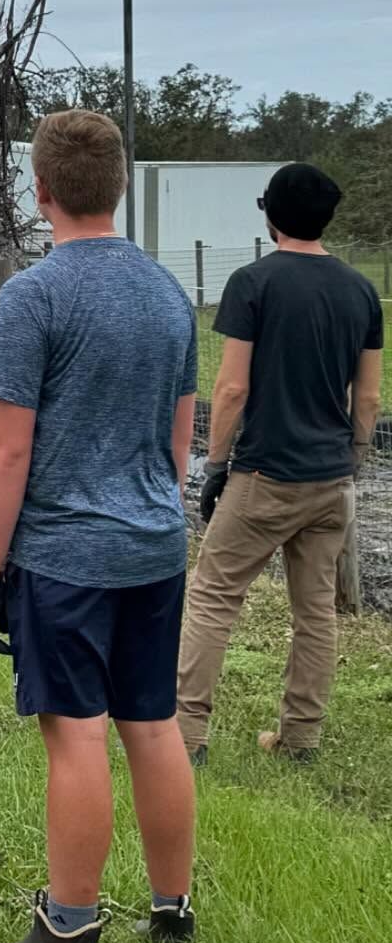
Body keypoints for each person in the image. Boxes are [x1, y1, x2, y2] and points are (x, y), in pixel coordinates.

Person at [0, 111, 200, 943]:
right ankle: (172, 913)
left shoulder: (35, 296)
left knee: (76, 737)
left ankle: (66, 935)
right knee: (153, 722)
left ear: (42, 192)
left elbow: (7, 449)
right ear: (121, 186)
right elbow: (180, 445)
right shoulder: (170, 295)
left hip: (67, 557)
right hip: (155, 546)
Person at [177, 164, 383, 765]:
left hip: (265, 476)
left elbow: (233, 389)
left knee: (214, 597)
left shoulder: (253, 283)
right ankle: (300, 737)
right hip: (331, 482)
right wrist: (353, 461)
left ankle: (187, 736)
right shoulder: (360, 290)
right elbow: (366, 398)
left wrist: (215, 466)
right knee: (315, 611)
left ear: (270, 216)